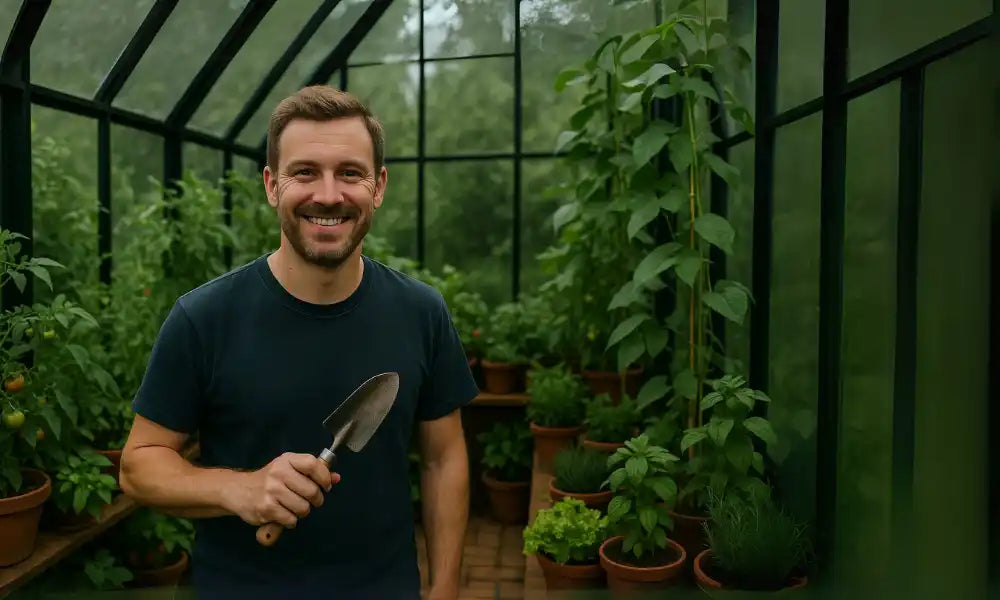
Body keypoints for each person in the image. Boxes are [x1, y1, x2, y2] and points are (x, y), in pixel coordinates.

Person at [119, 85, 477, 600]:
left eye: (349, 173)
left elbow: (444, 459)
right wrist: (239, 488)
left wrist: (444, 588)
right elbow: (139, 464)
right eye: (304, 172)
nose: (328, 195)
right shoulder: (205, 318)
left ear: (378, 186)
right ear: (271, 185)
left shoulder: (421, 313)